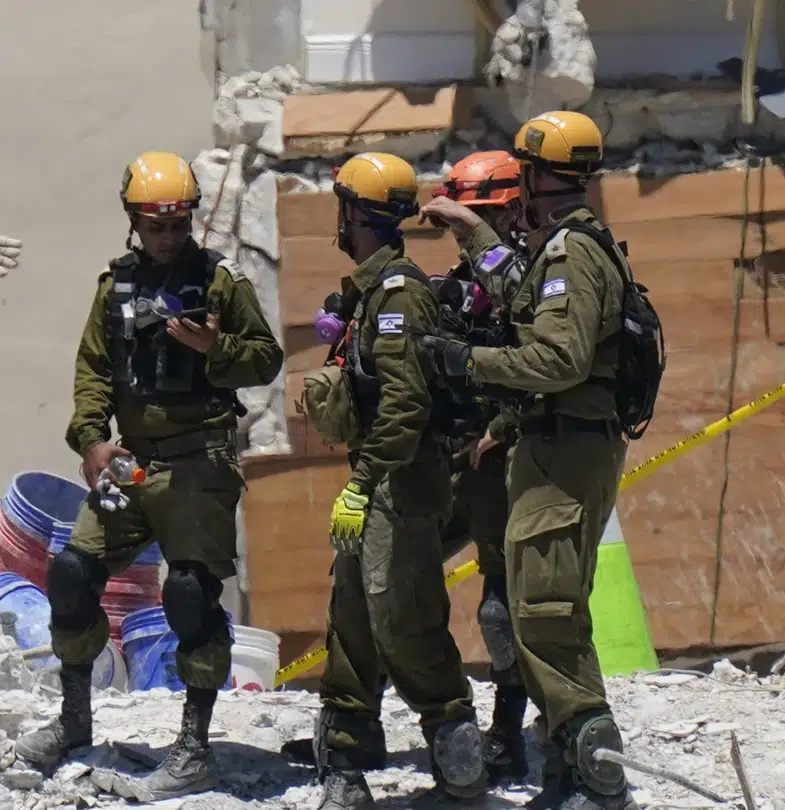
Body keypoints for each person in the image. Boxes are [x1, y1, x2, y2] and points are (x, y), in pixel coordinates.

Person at [16, 151, 283, 801]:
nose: (167, 237)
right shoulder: (118, 287)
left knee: (190, 595)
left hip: (198, 459)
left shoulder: (220, 283)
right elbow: (93, 370)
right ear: (134, 220)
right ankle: (75, 720)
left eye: (177, 223)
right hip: (132, 461)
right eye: (154, 225)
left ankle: (194, 749)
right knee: (75, 573)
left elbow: (266, 359)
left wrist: (211, 348)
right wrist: (90, 439)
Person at [419, 111, 638, 810]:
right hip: (556, 448)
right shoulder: (565, 247)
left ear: (538, 174)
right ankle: (566, 768)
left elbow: (559, 357)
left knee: (544, 614)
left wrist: (468, 360)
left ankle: (595, 779)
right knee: (539, 610)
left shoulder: (573, 253)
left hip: (567, 446)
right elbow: (519, 294)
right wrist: (472, 229)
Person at [308, 152, 488, 810]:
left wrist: (362, 484)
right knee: (352, 614)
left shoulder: (396, 296)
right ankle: (346, 754)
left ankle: (456, 750)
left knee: (402, 614)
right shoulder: (368, 293)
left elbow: (406, 405)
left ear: (354, 213)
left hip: (401, 481)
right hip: (380, 474)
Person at [427, 150, 536, 786]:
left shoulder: (530, 278)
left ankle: (508, 734)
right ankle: (361, 730)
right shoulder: (457, 286)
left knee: (500, 611)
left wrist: (501, 428)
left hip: (503, 462)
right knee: (382, 579)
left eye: (480, 220)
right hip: (449, 460)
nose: (465, 235)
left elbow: (551, 363)